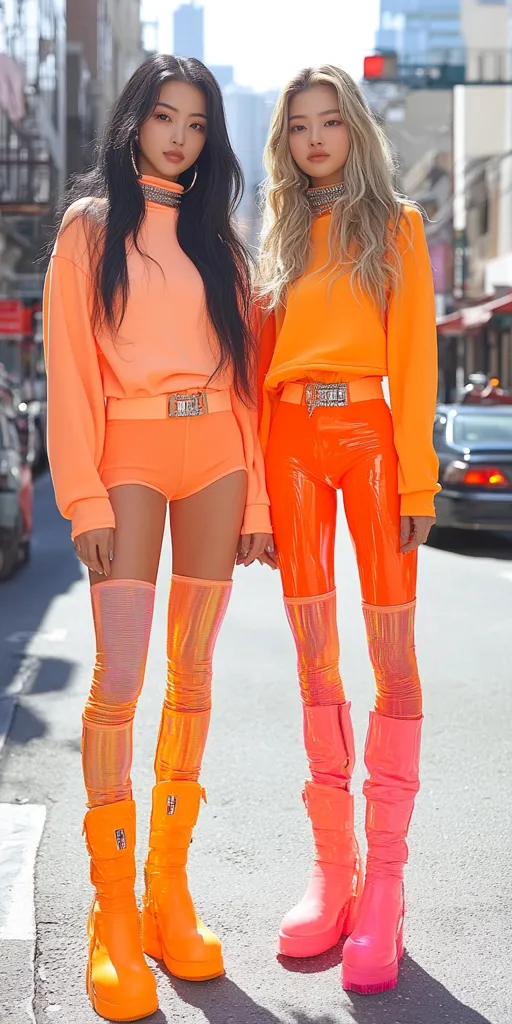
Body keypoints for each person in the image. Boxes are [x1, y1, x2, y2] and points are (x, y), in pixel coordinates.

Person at [43, 54, 272, 1022]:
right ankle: (112, 915)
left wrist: (256, 496)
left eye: (195, 123)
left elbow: (243, 380)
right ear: (134, 120)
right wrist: (84, 502)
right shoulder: (91, 228)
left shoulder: (220, 240)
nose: (177, 136)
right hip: (129, 455)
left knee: (194, 674)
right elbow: (68, 368)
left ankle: (166, 893)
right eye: (163, 116)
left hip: (217, 452)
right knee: (121, 678)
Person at [256, 65, 439, 995]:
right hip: (289, 440)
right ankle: (334, 872)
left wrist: (418, 481)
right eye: (299, 126)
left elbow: (413, 356)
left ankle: (387, 885)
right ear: (285, 140)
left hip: (372, 436)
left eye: (331, 122)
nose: (316, 138)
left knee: (392, 657)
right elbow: (258, 372)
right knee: (314, 658)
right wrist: (253, 497)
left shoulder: (397, 225)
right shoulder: (279, 234)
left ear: (355, 130)